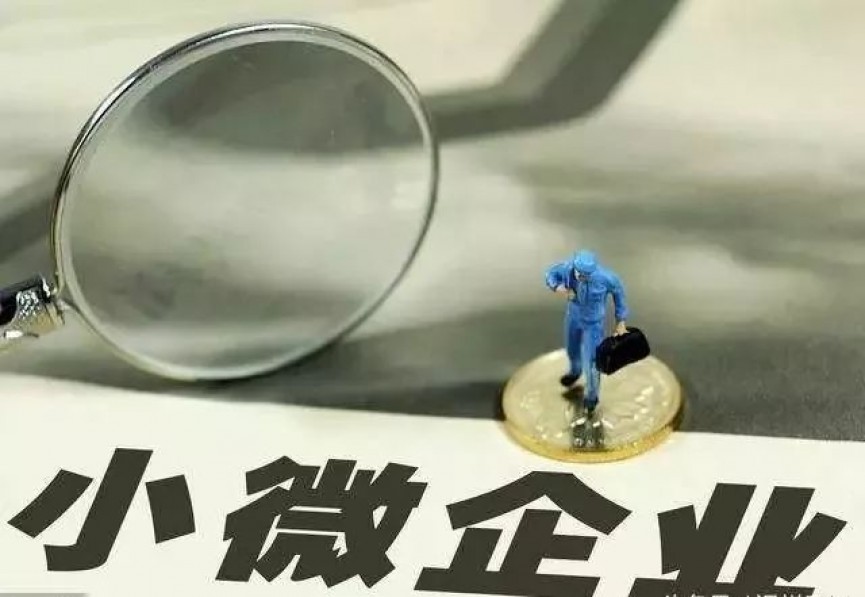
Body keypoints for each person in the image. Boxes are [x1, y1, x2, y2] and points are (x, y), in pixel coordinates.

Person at [544, 250, 629, 413]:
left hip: (593, 325)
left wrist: (621, 320)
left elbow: (619, 293)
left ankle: (592, 395)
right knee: (571, 349)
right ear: (575, 267)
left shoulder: (605, 278)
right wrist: (558, 287)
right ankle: (575, 371)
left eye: (587, 275)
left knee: (592, 361)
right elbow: (550, 274)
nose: (583, 277)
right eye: (581, 274)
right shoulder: (567, 269)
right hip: (573, 318)